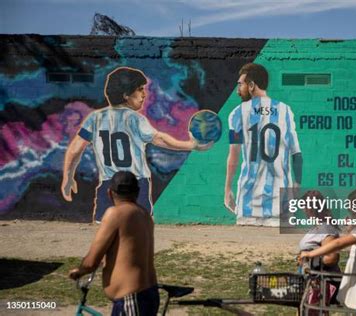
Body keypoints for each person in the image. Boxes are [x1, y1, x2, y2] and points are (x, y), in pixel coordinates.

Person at [61, 66, 211, 222]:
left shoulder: (95, 118)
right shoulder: (135, 119)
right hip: (136, 184)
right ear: (126, 95)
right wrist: (190, 145)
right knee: (139, 233)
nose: (144, 94)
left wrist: (68, 176)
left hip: (109, 185)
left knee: (105, 232)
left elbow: (75, 149)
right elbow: (160, 139)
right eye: (140, 90)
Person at [68, 171, 159, 315]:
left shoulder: (115, 213)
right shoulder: (144, 214)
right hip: (148, 293)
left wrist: (79, 272)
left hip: (131, 299)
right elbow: (129, 249)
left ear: (110, 193)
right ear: (137, 192)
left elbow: (91, 262)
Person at [224, 63, 303, 226]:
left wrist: (227, 189)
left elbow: (234, 155)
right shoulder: (286, 111)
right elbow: (297, 155)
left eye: (241, 84)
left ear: (252, 85)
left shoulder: (237, 113)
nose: (238, 89)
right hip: (281, 202)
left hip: (248, 201)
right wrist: (296, 186)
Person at [299, 189, 356, 313]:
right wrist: (351, 228)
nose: (351, 211)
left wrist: (310, 254)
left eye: (352, 207)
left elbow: (338, 244)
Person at [298, 190, 340, 313]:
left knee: (314, 311)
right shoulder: (316, 228)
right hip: (310, 279)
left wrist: (310, 259)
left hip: (319, 281)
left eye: (306, 206)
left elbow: (331, 257)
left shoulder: (326, 228)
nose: (304, 210)